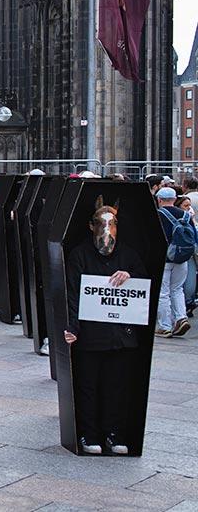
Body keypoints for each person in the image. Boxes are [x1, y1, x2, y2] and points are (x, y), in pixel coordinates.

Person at [64, 200, 148, 454]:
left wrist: (130, 277)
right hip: (91, 335)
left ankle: (115, 433)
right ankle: (89, 434)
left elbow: (144, 287)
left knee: (117, 387)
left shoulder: (129, 255)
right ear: (91, 227)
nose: (107, 231)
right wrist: (72, 327)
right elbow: (72, 293)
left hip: (120, 336)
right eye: (102, 225)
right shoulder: (80, 255)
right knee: (88, 386)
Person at [155, 187, 193, 337]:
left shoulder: (158, 215)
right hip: (182, 258)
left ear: (159, 200)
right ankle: (181, 318)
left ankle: (165, 326)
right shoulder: (185, 215)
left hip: (164, 258)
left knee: (163, 292)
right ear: (175, 199)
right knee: (177, 289)